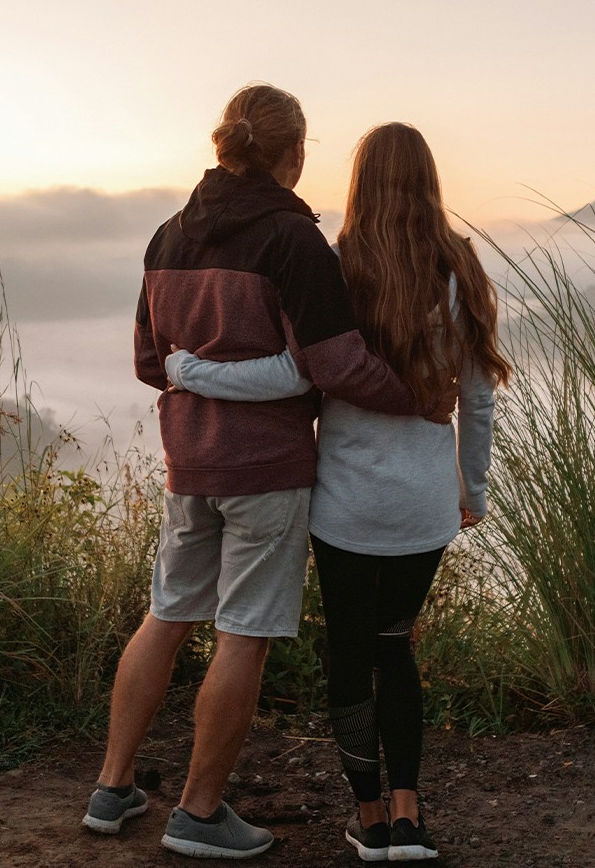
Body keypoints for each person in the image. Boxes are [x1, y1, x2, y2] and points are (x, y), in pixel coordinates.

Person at [86, 85, 439, 860]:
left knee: (167, 614)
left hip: (190, 463)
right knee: (243, 634)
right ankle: (199, 812)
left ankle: (112, 788)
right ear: (294, 153)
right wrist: (417, 396)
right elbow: (336, 363)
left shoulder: (168, 237)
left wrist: (202, 374)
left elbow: (153, 363)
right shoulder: (293, 242)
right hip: (267, 472)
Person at [165, 122, 509, 862]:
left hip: (344, 500)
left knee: (350, 653)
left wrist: (196, 376)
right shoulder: (463, 268)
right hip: (422, 501)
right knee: (395, 648)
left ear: (359, 182)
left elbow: (311, 378)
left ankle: (370, 817)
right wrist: (470, 486)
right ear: (429, 180)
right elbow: (477, 400)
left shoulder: (337, 266)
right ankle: (412, 816)